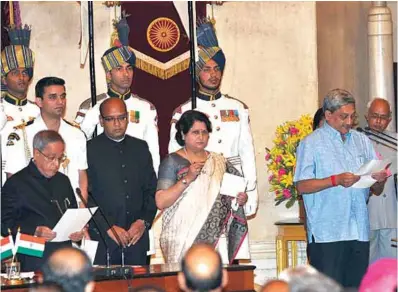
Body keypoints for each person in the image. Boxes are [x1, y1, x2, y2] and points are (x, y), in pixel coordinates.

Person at [168, 21, 257, 262]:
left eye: (217, 68)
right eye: (206, 69)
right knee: (201, 256)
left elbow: (247, 153)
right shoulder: (184, 110)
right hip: (199, 187)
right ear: (197, 73)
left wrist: (250, 192)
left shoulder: (237, 108)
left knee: (231, 257)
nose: (213, 74)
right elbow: (174, 157)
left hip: (231, 186)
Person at [293, 89, 388, 288]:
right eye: (343, 116)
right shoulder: (311, 143)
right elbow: (302, 185)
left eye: (352, 116)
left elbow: (376, 190)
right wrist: (334, 180)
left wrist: (378, 180)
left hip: (358, 230)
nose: (349, 122)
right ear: (328, 115)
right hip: (327, 233)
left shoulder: (362, 141)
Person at [157, 110, 248, 264]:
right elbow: (161, 201)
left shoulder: (219, 161)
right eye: (195, 132)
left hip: (216, 238)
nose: (200, 137)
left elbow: (231, 196)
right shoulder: (172, 161)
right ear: (183, 134)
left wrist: (240, 199)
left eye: (204, 132)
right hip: (181, 237)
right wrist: (188, 178)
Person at [87, 97, 157, 265]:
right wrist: (107, 227)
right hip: (104, 237)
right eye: (110, 119)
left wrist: (143, 222)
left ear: (127, 118)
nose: (117, 123)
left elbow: (152, 189)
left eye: (121, 118)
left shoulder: (140, 147)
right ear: (101, 121)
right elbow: (85, 196)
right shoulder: (89, 149)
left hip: (136, 236)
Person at [1, 130, 84, 272]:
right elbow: (4, 224)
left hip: (64, 259)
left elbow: (72, 215)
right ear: (36, 153)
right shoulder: (16, 183)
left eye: (60, 158)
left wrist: (77, 233)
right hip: (33, 260)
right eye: (51, 158)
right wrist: (34, 230)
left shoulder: (63, 181)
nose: (56, 164)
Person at [4, 77, 88, 205]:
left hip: (70, 208)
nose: (60, 102)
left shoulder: (76, 134)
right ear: (39, 101)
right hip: (35, 209)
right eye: (53, 97)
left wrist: (82, 211)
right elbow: (13, 179)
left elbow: (81, 176)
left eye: (63, 96)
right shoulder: (22, 135)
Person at [77, 44, 160, 173]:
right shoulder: (90, 106)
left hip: (137, 174)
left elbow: (153, 150)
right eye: (119, 69)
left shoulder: (146, 108)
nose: (126, 74)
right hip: (104, 173)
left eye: (129, 68)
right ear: (109, 75)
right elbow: (78, 144)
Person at [0, 29, 40, 184]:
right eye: (15, 72)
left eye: (25, 72)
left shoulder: (37, 110)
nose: (21, 77)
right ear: (4, 79)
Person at [365, 98, 397, 263]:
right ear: (366, 116)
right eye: (374, 116)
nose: (378, 121)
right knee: (367, 271)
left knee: (391, 271)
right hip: (365, 217)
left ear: (389, 119)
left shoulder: (396, 142)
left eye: (383, 117)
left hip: (392, 216)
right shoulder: (356, 141)